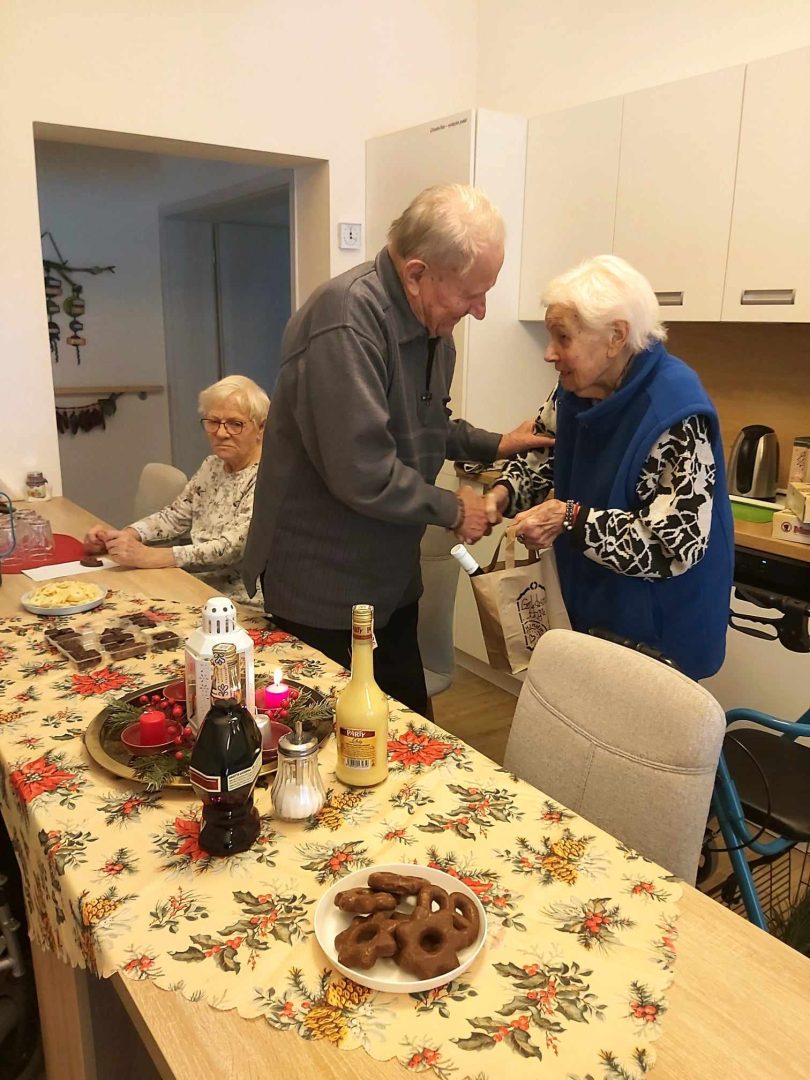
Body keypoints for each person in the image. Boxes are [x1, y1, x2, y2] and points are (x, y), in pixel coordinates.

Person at [243, 184, 550, 715]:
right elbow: (363, 468)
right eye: (471, 293)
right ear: (415, 273)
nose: (480, 311)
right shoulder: (346, 319)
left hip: (389, 578)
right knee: (335, 738)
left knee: (410, 731)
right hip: (325, 584)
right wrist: (454, 508)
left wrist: (497, 443)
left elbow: (425, 424)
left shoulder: (433, 326)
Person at [485, 254, 734, 681]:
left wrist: (571, 518)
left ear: (616, 336)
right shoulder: (573, 391)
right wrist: (501, 495)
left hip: (657, 632)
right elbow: (542, 456)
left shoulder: (674, 411)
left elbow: (671, 547)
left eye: (563, 338)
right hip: (592, 604)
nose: (549, 353)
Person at [84, 375, 270, 606]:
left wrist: (153, 556)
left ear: (261, 427)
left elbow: (231, 549)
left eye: (235, 424)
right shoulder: (212, 466)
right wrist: (125, 536)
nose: (221, 433)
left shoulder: (268, 477)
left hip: (237, 602)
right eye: (213, 421)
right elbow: (175, 516)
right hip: (195, 583)